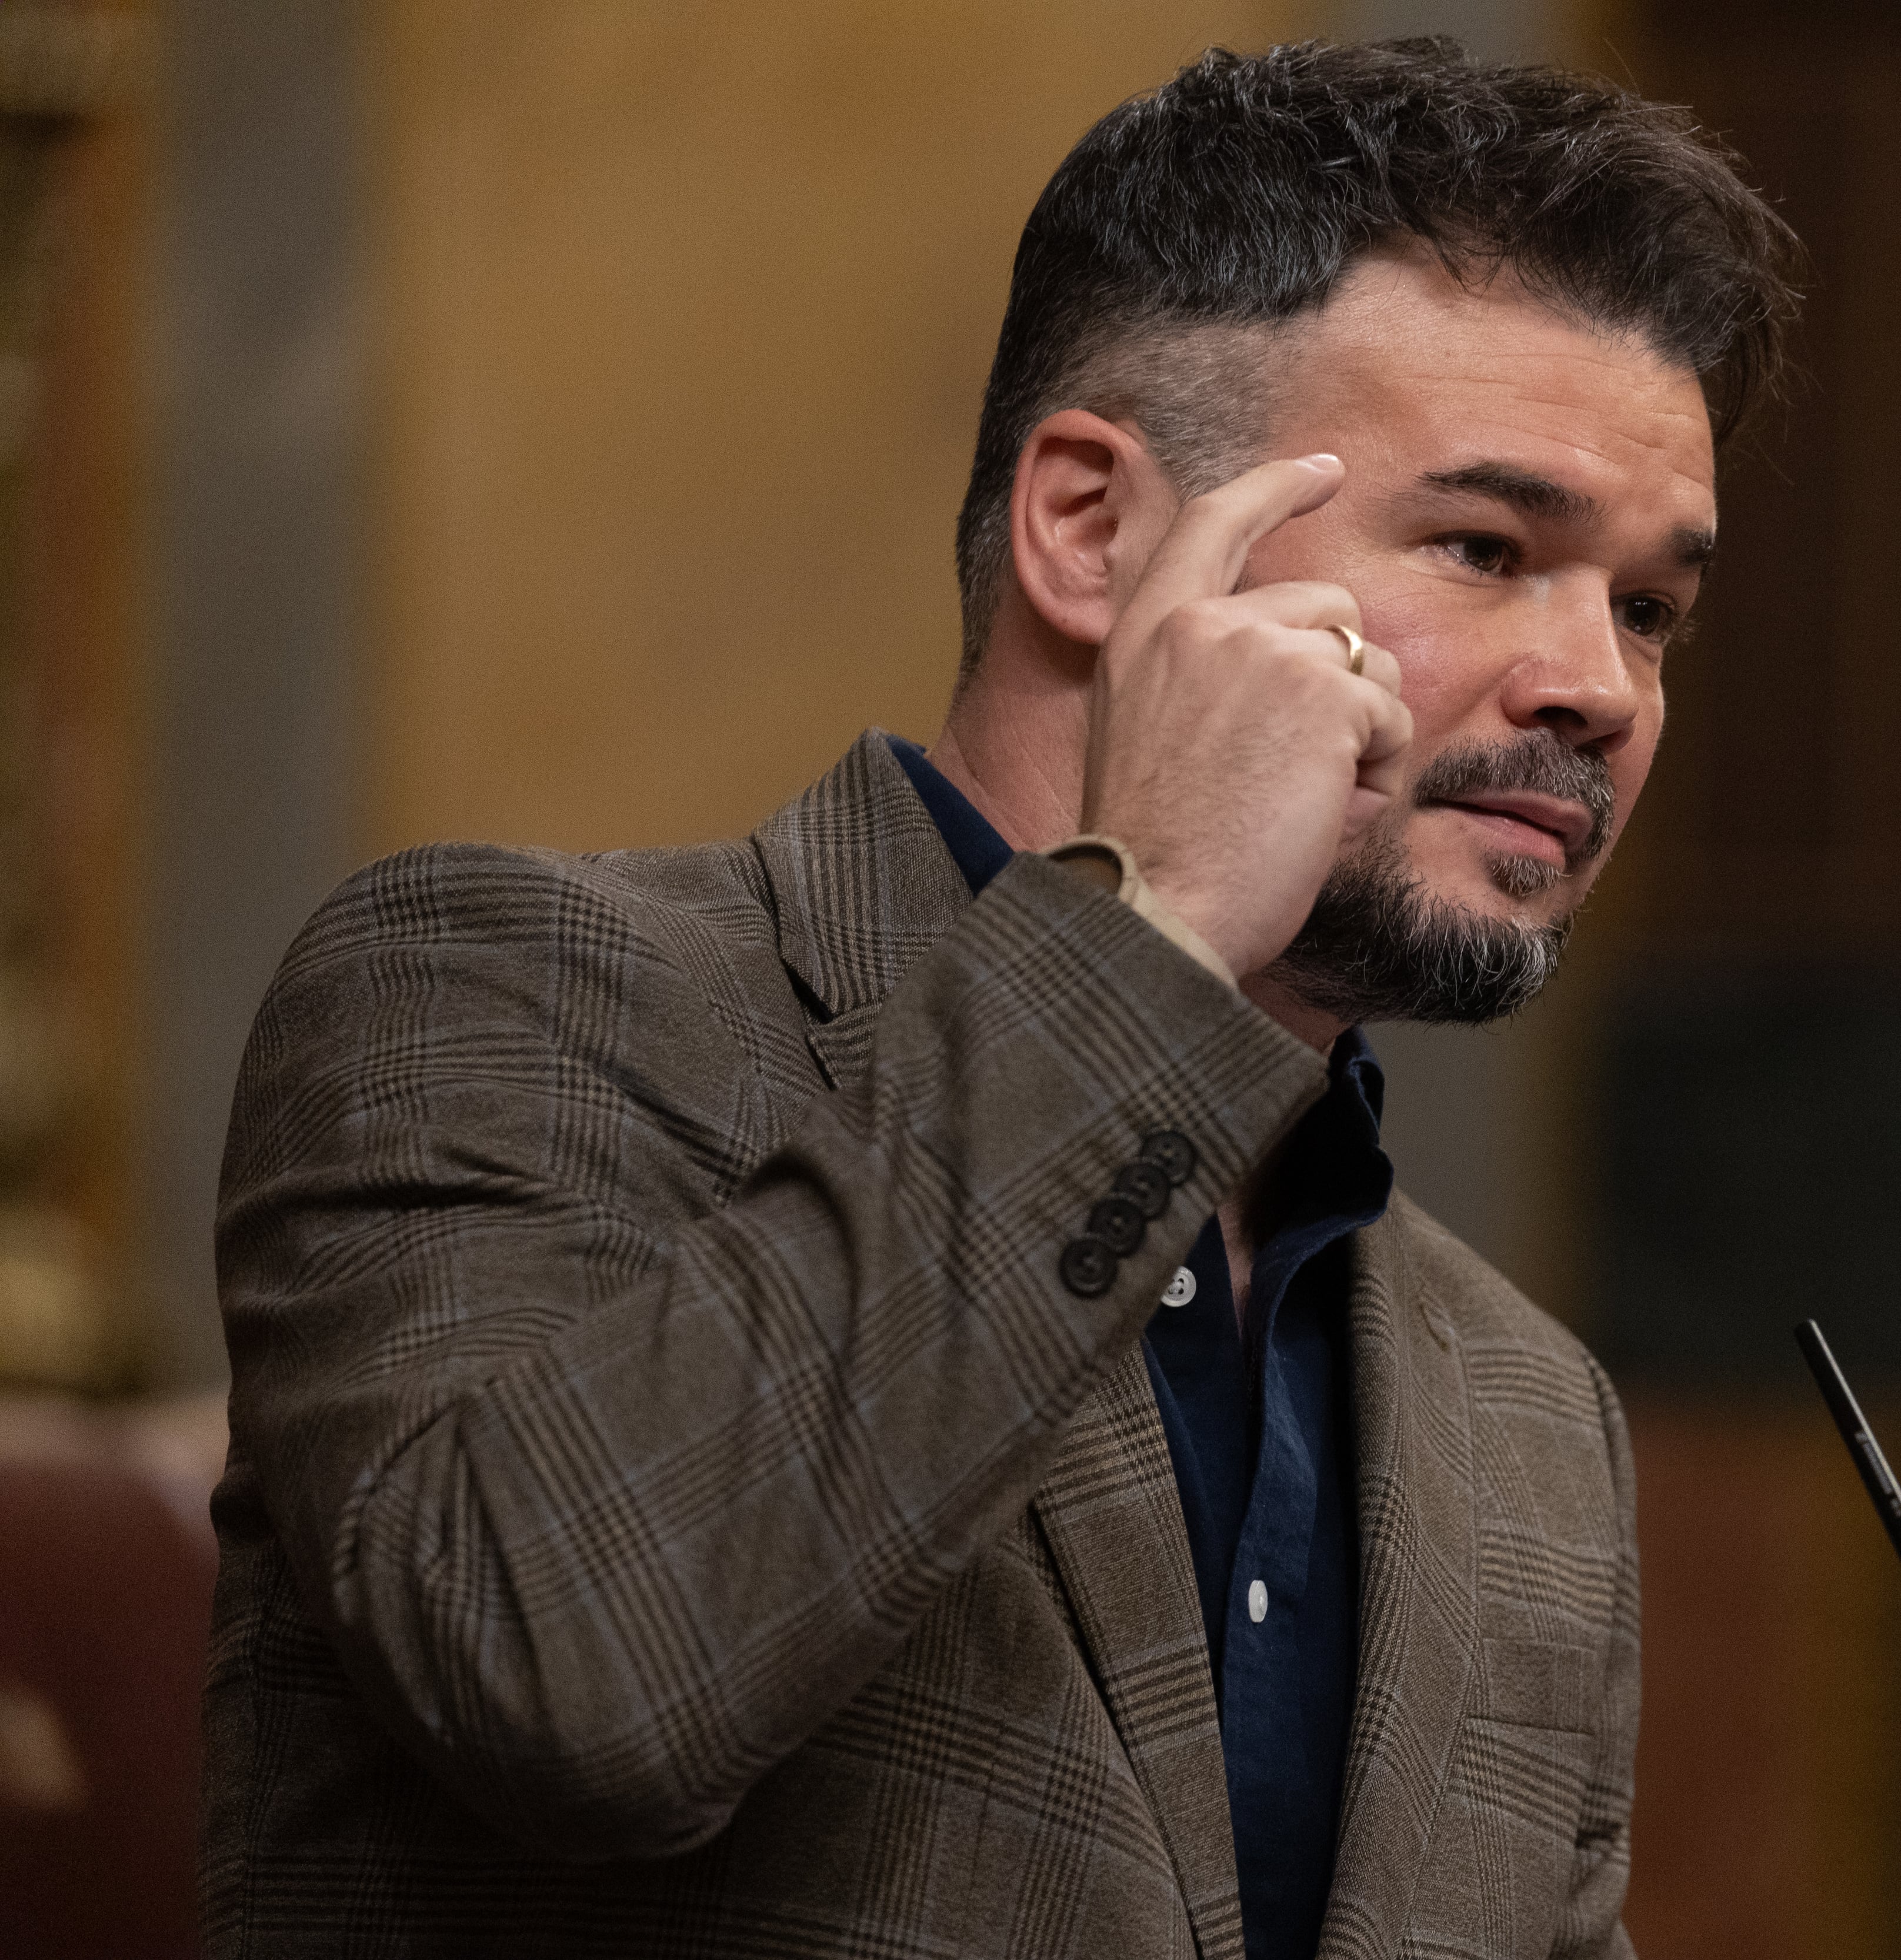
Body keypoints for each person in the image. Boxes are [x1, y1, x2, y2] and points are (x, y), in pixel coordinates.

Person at [204, 37, 1797, 1960]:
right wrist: (1162, 924)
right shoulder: (506, 1001)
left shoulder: (1528, 1414)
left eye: (1650, 609)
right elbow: (583, 1684)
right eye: (1486, 549)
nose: (1601, 690)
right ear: (1094, 532)